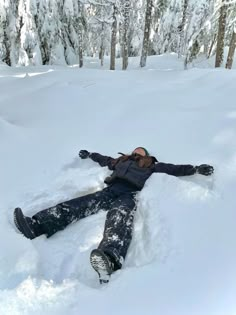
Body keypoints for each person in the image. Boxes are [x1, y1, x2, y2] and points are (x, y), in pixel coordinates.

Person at [14, 147, 214, 283]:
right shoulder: (121, 161)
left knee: (119, 218)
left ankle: (110, 258)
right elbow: (104, 160)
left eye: (141, 151)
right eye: (135, 150)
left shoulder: (151, 165)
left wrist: (195, 169)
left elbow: (174, 169)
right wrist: (90, 154)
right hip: (110, 190)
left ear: (147, 155)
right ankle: (37, 225)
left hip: (129, 193)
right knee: (80, 204)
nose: (137, 152)